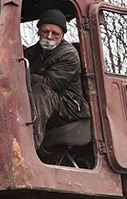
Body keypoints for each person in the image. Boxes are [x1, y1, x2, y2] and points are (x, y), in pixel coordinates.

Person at [24, 8, 89, 149]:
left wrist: (23, 76)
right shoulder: (31, 52)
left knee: (41, 91)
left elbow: (51, 83)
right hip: (49, 102)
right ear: (38, 31)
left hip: (69, 104)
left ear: (62, 36)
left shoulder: (68, 54)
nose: (49, 36)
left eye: (55, 34)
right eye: (45, 31)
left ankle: (30, 147)